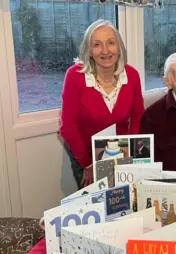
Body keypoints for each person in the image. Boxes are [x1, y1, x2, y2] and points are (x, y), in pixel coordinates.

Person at [60, 19, 145, 189]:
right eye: (97, 45)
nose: (105, 51)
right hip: (85, 156)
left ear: (119, 47)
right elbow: (68, 127)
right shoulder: (75, 76)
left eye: (111, 43)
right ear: (89, 50)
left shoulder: (132, 75)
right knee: (96, 206)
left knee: (124, 204)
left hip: (121, 155)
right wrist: (88, 164)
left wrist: (131, 156)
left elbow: (138, 119)